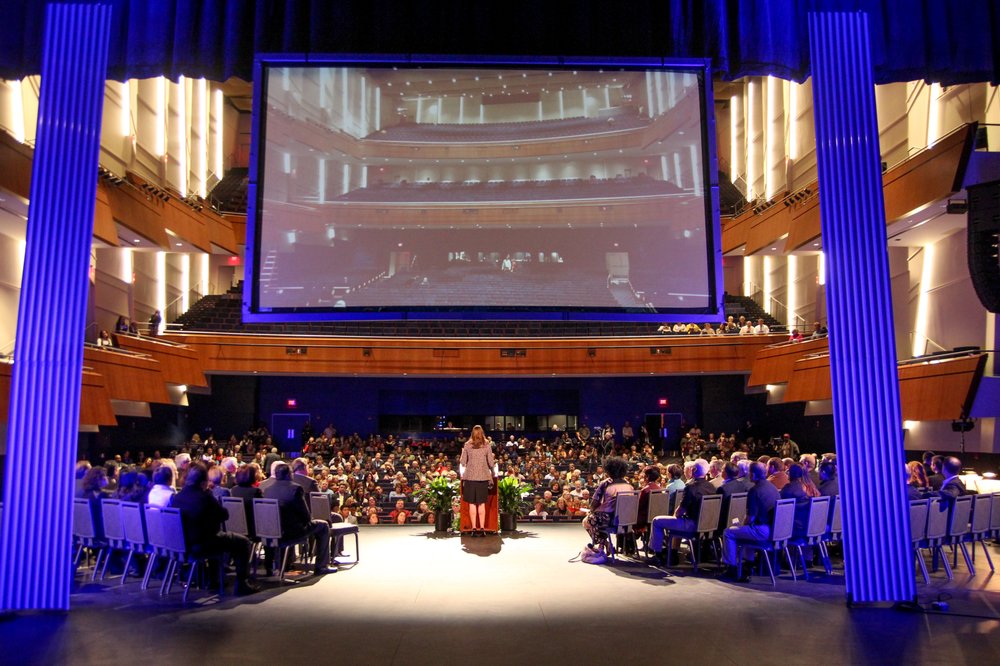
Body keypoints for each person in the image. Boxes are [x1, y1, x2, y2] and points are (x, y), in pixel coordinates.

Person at [168, 463, 257, 595]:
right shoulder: (204, 497)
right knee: (243, 542)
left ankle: (214, 579)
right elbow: (224, 515)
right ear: (204, 481)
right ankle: (242, 583)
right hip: (201, 544)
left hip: (183, 543)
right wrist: (209, 494)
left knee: (217, 537)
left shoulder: (178, 497)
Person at [262, 463, 336, 575]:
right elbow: (305, 516)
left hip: (271, 533)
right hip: (291, 533)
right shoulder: (295, 488)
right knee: (323, 525)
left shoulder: (267, 490)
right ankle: (321, 566)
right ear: (289, 474)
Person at [721, 462, 780, 582]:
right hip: (775, 530)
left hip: (762, 531)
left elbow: (750, 518)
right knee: (746, 532)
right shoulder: (772, 487)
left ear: (753, 474)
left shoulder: (755, 490)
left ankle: (731, 568)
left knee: (728, 532)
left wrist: (740, 525)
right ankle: (748, 565)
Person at [649, 458, 714, 561]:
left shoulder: (691, 487)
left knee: (657, 521)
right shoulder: (712, 487)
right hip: (708, 526)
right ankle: (672, 552)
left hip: (692, 525)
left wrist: (675, 516)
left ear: (694, 470)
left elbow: (681, 510)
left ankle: (657, 555)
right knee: (677, 521)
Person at [582, 456, 632, 547]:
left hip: (609, 521)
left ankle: (604, 543)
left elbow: (594, 504)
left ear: (609, 470)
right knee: (596, 519)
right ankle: (604, 544)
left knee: (587, 521)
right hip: (627, 521)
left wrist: (591, 511)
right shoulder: (629, 485)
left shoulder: (606, 483)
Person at [459, 425, 496, 537]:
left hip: (470, 477)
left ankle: (474, 528)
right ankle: (482, 528)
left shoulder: (467, 445)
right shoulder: (486, 445)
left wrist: (463, 452)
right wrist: (493, 472)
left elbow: (463, 462)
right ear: (482, 433)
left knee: (472, 503)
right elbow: (490, 462)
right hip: (483, 477)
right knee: (481, 504)